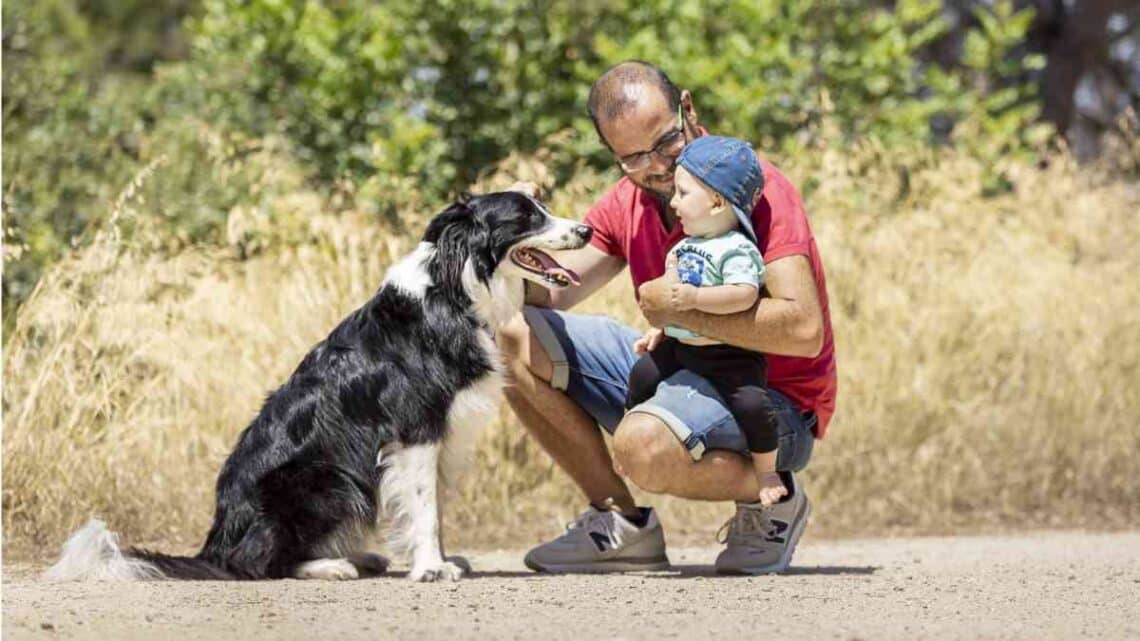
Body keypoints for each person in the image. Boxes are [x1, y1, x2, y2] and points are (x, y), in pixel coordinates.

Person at [498, 60, 836, 575]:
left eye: (665, 143)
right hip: (683, 371)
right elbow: (548, 295)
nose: (656, 167)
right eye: (633, 157)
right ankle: (623, 525)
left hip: (772, 404)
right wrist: (513, 234)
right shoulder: (629, 199)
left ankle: (776, 493)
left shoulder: (753, 188)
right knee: (509, 335)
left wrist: (683, 307)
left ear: (688, 110)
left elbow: (804, 331)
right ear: (614, 156)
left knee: (641, 447)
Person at [625, 135, 788, 508]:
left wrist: (696, 300)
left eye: (682, 193)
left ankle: (766, 471)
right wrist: (660, 328)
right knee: (642, 375)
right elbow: (670, 298)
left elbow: (744, 293)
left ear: (716, 201)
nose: (673, 201)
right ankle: (628, 435)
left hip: (728, 355)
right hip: (683, 345)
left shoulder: (737, 248)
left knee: (752, 406)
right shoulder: (684, 245)